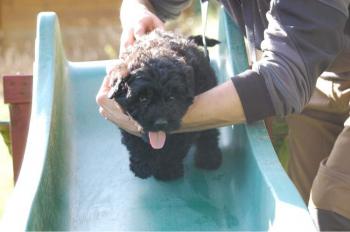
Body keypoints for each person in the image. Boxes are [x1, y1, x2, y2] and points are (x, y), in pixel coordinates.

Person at [96, 0, 350, 230]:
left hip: (302, 68)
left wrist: (162, 120)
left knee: (332, 205)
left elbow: (282, 79)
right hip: (322, 66)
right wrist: (138, 12)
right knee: (299, 204)